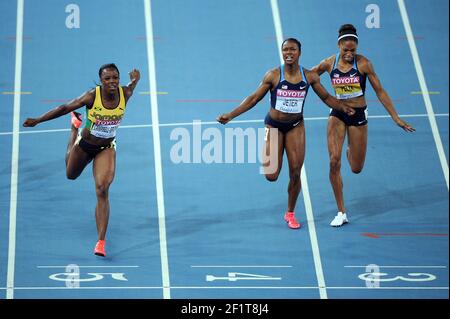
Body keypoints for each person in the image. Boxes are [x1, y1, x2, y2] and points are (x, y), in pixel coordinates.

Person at [217, 38, 355, 229]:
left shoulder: (309, 76)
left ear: (299, 52)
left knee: (296, 172)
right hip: (273, 126)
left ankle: (290, 213)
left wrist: (341, 107)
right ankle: (269, 152)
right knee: (271, 175)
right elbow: (253, 99)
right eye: (285, 50)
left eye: (293, 49)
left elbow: (325, 97)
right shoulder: (273, 75)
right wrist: (231, 115)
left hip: (295, 126)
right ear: (282, 53)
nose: (289, 53)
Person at [23, 63, 140, 256]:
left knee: (102, 189)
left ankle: (101, 242)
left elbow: (132, 86)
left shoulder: (125, 93)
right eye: (107, 79)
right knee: (70, 175)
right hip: (84, 145)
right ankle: (74, 128)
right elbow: (64, 107)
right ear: (101, 81)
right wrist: (38, 120)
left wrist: (135, 79)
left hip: (106, 147)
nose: (112, 82)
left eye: (115, 78)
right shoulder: (91, 96)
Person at [311, 24, 415, 227]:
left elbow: (380, 91)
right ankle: (341, 211)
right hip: (338, 114)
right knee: (334, 161)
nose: (349, 53)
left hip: (358, 115)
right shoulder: (328, 63)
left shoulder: (364, 64)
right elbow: (310, 77)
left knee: (356, 168)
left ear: (357, 47)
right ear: (338, 45)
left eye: (353, 50)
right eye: (345, 50)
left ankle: (351, 149)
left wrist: (396, 117)